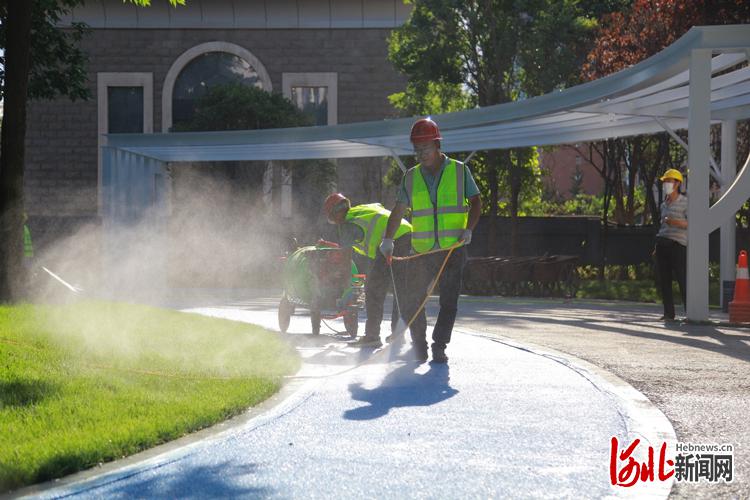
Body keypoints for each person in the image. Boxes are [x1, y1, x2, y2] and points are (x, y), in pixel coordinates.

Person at [380, 117, 481, 363]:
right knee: (412, 300)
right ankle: (420, 346)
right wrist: (388, 239)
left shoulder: (459, 170)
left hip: (452, 249)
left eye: (425, 148)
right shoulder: (411, 177)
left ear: (437, 145)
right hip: (422, 250)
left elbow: (476, 202)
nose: (421, 154)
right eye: (417, 149)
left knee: (449, 301)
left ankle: (439, 346)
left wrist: (469, 229)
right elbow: (399, 208)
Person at [323, 193, 413, 347]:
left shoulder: (347, 224)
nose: (335, 222)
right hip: (409, 234)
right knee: (400, 289)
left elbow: (346, 258)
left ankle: (372, 337)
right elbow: (379, 206)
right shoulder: (362, 209)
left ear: (335, 213)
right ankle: (398, 334)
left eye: (333, 218)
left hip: (390, 240)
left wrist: (346, 282)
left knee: (373, 291)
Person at [654, 168, 687, 321]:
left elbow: (691, 223)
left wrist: (673, 222)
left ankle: (690, 312)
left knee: (682, 279)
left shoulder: (685, 202)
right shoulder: (663, 204)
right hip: (662, 244)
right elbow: (663, 226)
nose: (666, 184)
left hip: (677, 245)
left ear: (678, 183)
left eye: (669, 181)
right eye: (665, 181)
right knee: (664, 280)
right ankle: (668, 313)